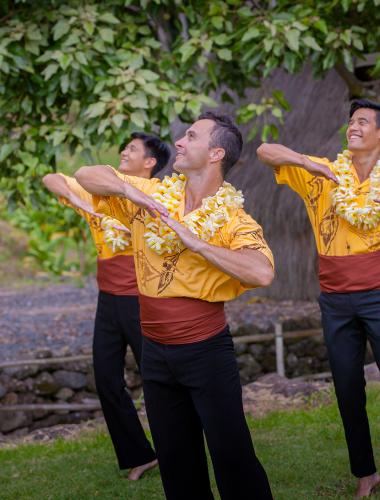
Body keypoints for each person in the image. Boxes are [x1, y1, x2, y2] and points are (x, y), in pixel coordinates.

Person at [74, 112, 275, 500]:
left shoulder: (233, 217)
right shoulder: (151, 199)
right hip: (155, 352)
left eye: (191, 136)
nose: (179, 143)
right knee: (176, 460)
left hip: (205, 352)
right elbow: (86, 175)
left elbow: (262, 272)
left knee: (233, 458)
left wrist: (198, 244)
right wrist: (131, 191)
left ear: (216, 153)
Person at [257, 98, 380, 499]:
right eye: (351, 121)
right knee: (346, 387)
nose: (353, 126)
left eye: (363, 121)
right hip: (335, 300)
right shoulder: (320, 174)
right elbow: (264, 151)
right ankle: (365, 472)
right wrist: (311, 165)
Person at [42, 132, 171, 480]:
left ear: (150, 163)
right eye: (124, 147)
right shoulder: (101, 192)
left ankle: (175, 448)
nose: (123, 152)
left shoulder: (158, 195)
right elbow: (51, 178)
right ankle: (140, 454)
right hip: (108, 300)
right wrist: (77, 199)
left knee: (157, 377)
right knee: (106, 378)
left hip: (143, 299)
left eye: (132, 149)